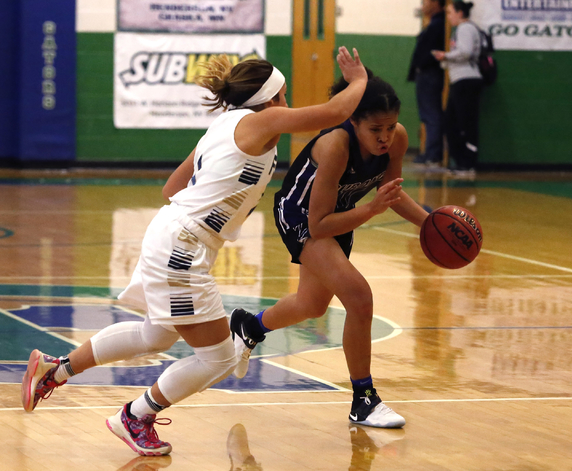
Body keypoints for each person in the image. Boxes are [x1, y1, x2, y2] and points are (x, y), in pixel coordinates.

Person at [20, 47, 368, 456]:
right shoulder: (263, 121)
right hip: (184, 247)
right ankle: (136, 415)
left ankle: (55, 370)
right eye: (284, 95)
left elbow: (171, 188)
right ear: (270, 99)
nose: (287, 104)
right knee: (219, 358)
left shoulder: (223, 126)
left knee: (156, 334)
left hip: (168, 233)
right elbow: (333, 113)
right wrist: (358, 80)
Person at [229, 70, 430, 429]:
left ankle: (250, 326)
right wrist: (370, 209)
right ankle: (364, 400)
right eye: (375, 130)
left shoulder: (396, 138)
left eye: (390, 127)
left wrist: (429, 224)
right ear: (354, 121)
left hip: (340, 213)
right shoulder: (335, 146)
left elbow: (392, 192)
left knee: (312, 304)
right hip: (302, 214)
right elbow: (319, 225)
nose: (385, 137)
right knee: (359, 296)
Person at [432, 0, 483, 177]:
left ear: (460, 13)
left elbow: (466, 52)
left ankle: (467, 164)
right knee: (451, 122)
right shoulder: (462, 29)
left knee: (465, 123)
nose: (449, 16)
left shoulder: (465, 28)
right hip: (460, 81)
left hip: (466, 81)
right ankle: (461, 162)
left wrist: (445, 55)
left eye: (450, 12)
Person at [407, 0, 446, 167]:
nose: (423, 6)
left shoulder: (440, 24)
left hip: (430, 74)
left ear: (436, 3)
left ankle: (433, 154)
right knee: (428, 115)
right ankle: (430, 152)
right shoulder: (433, 23)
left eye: (426, 2)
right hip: (425, 74)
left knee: (431, 114)